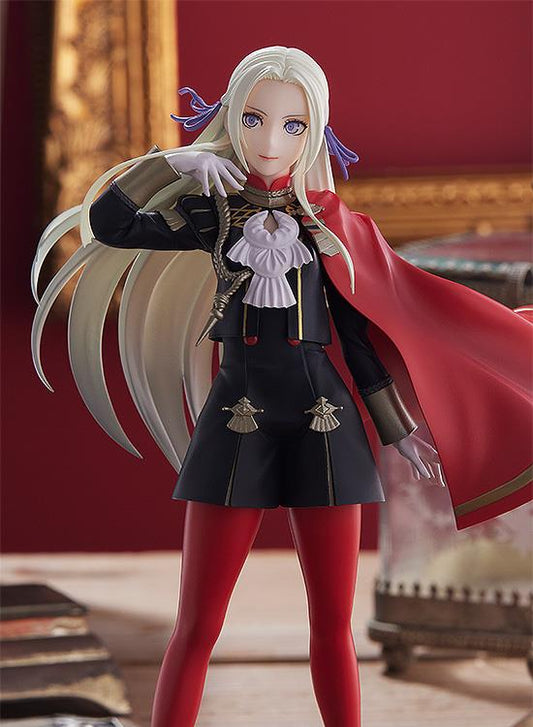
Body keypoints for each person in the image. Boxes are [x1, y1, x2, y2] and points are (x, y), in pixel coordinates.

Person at [32, 46, 532, 726]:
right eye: (254, 119)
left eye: (293, 125)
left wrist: (397, 429)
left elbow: (358, 340)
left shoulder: (331, 228)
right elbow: (111, 225)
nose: (271, 140)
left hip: (326, 421)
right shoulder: (214, 214)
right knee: (197, 625)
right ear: (230, 119)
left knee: (331, 627)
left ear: (315, 131)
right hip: (236, 418)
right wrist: (172, 163)